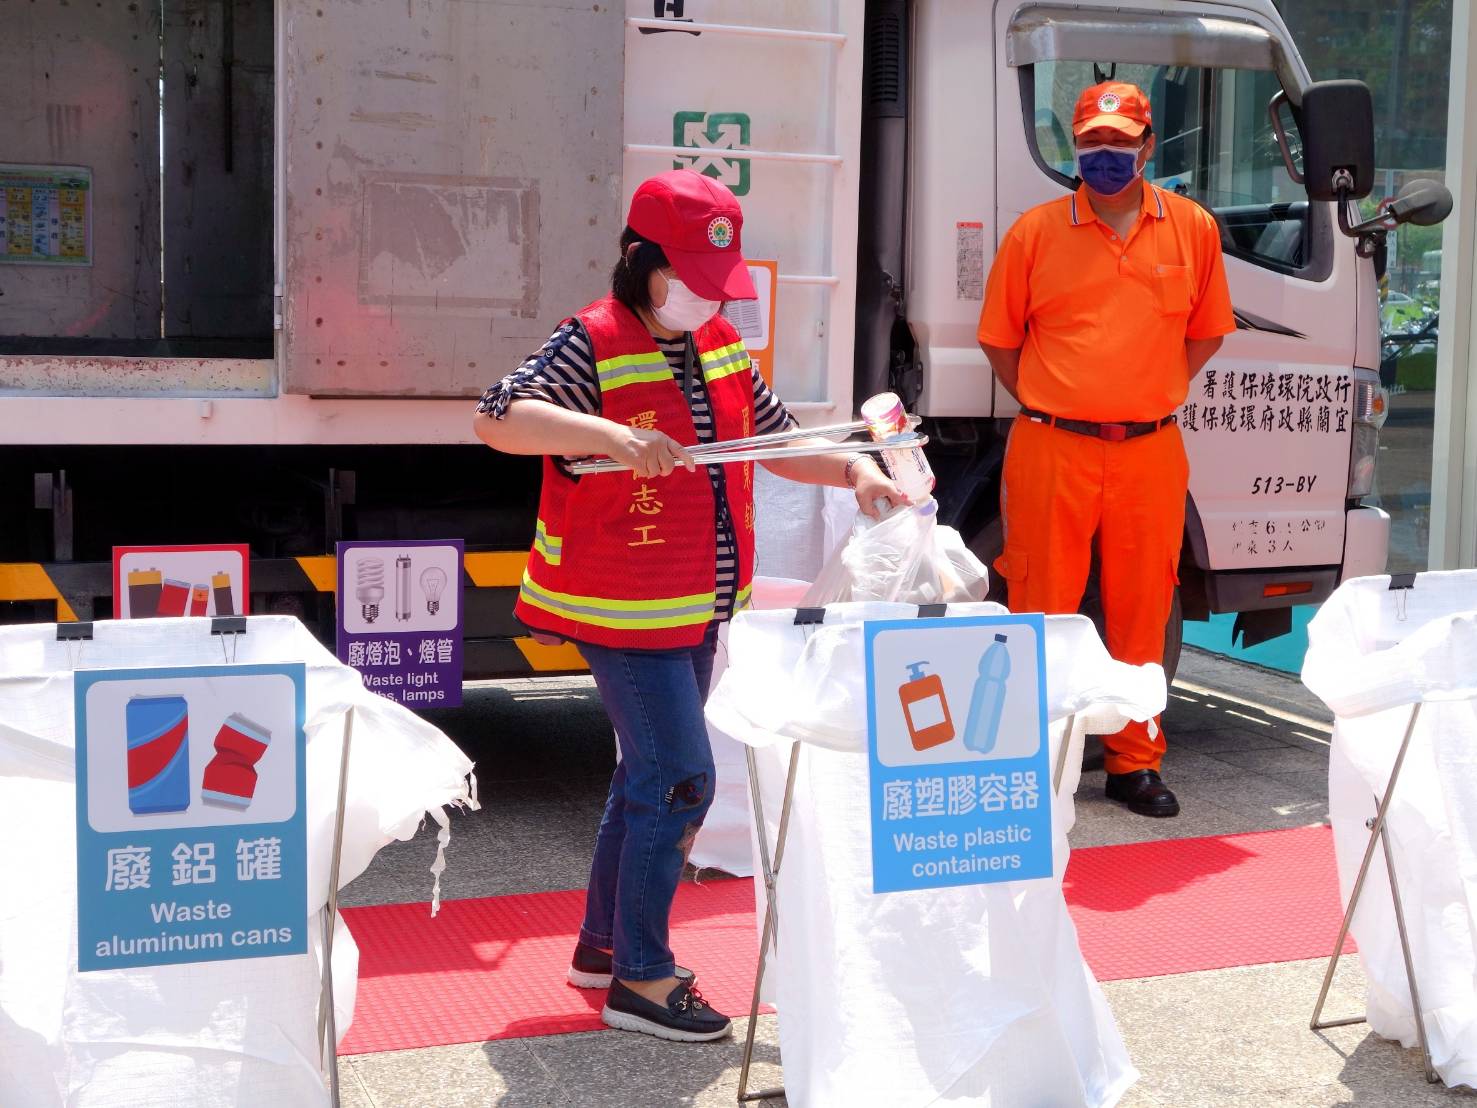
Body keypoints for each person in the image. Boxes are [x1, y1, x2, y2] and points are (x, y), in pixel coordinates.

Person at [473, 169, 904, 1041]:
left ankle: (603, 949)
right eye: (690, 281)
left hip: (693, 607)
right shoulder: (588, 340)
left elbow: (776, 441)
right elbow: (499, 417)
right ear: (640, 261)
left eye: (718, 285)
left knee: (645, 776)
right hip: (623, 607)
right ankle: (643, 977)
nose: (706, 301)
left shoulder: (717, 344)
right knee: (680, 779)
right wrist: (613, 437)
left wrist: (858, 468)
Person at [977, 82, 1235, 818]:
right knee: (1040, 607)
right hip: (1051, 446)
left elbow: (1205, 332)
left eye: (1121, 145)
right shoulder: (1035, 232)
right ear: (1075, 149)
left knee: (1141, 610)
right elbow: (1000, 340)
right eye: (1093, 145)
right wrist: (1059, 398)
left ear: (1147, 148)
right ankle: (1038, 763)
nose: (1106, 158)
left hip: (1149, 453)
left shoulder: (1191, 228)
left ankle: (1133, 762)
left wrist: (1144, 395)